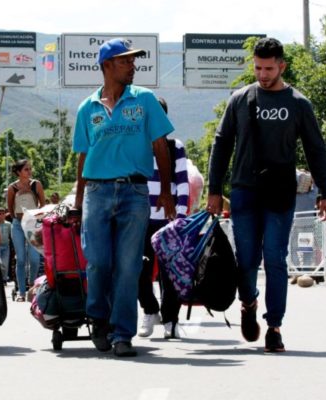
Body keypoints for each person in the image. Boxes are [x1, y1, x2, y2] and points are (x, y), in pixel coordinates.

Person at [207, 38, 326, 353]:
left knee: (276, 258)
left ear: (282, 66)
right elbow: (222, 144)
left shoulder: (298, 103)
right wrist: (214, 189)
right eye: (258, 68)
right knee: (247, 259)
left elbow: (316, 149)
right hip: (244, 191)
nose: (263, 74)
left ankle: (274, 326)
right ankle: (248, 303)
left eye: (269, 68)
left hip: (280, 192)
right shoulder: (240, 99)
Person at [73, 38, 175, 357]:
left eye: (133, 61)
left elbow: (160, 147)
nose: (132, 66)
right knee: (99, 262)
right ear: (106, 66)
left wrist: (167, 193)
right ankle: (98, 318)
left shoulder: (145, 101)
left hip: (135, 192)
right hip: (97, 192)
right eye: (124, 61)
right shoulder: (86, 108)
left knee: (129, 266)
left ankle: (122, 334)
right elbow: (82, 158)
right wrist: (77, 202)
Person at [137, 98, 190, 340]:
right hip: (138, 220)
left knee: (170, 272)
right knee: (139, 269)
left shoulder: (174, 146)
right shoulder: (134, 145)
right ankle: (149, 310)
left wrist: (180, 218)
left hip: (168, 221)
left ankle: (171, 320)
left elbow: (182, 182)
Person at [6, 159, 46, 301]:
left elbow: (43, 204)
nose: (30, 172)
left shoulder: (36, 185)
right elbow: (10, 208)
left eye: (30, 169)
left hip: (33, 224)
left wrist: (34, 215)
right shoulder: (12, 188)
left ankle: (32, 285)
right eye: (26, 169)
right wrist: (17, 218)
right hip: (17, 224)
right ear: (18, 172)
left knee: (35, 259)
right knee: (21, 259)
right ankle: (22, 292)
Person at [0, 207, 12, 282]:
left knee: (5, 263)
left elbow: (11, 235)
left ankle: (4, 278)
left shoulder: (8, 224)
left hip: (6, 246)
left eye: (3, 214)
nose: (1, 215)